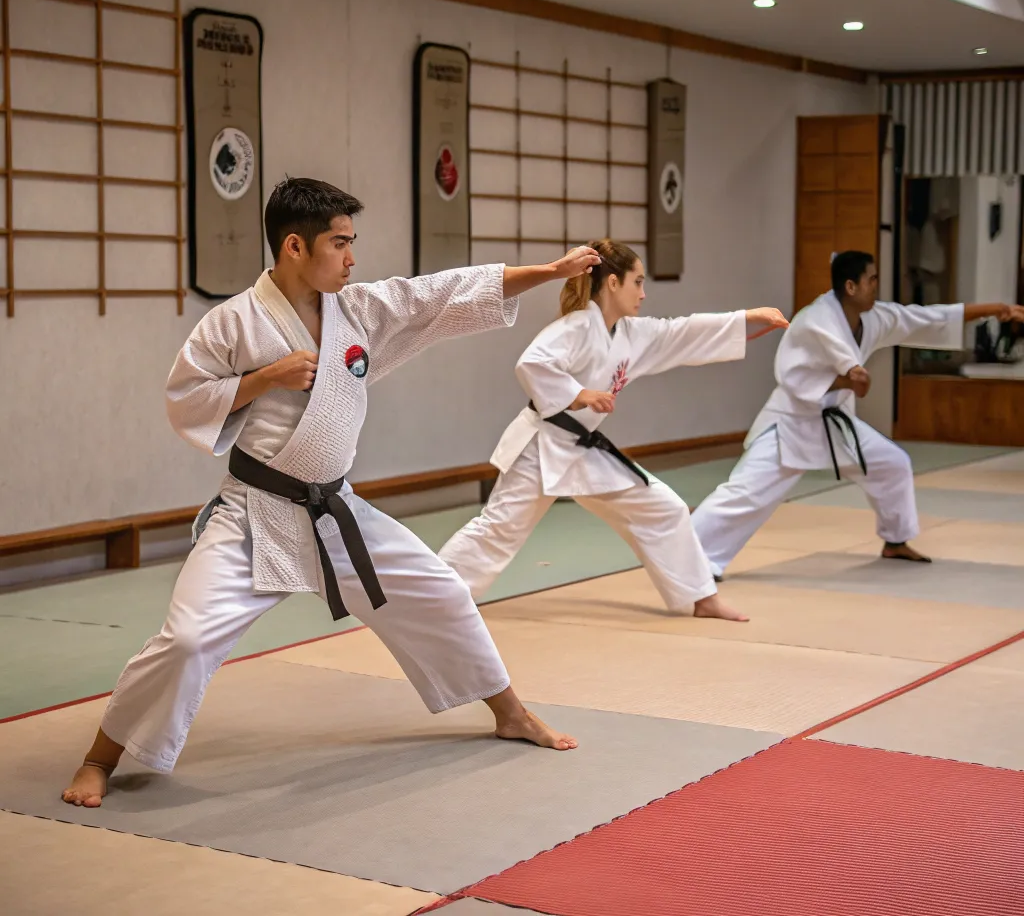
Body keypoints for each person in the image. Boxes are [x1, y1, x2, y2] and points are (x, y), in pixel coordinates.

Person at [61, 177, 604, 808]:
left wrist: (551, 271)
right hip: (252, 513)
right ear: (295, 246)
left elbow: (442, 293)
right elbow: (184, 401)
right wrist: (263, 378)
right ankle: (100, 759)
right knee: (185, 639)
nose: (352, 257)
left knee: (439, 592)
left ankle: (510, 712)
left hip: (335, 509)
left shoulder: (361, 310)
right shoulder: (231, 322)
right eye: (340, 244)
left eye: (353, 243)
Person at [437, 239, 789, 622]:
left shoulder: (631, 335)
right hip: (540, 446)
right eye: (637, 281)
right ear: (613, 284)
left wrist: (746, 319)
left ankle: (700, 597)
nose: (644, 292)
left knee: (664, 508)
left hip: (583, 450)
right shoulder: (576, 326)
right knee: (498, 530)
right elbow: (532, 363)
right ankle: (433, 601)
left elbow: (680, 333)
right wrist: (579, 394)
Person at [691, 250, 1024, 578]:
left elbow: (928, 318)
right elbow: (810, 371)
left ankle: (895, 540)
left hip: (836, 423)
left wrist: (994, 310)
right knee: (746, 493)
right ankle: (692, 558)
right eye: (872, 279)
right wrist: (852, 376)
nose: (877, 285)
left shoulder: (873, 317)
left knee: (891, 464)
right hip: (792, 423)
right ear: (851, 286)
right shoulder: (816, 318)